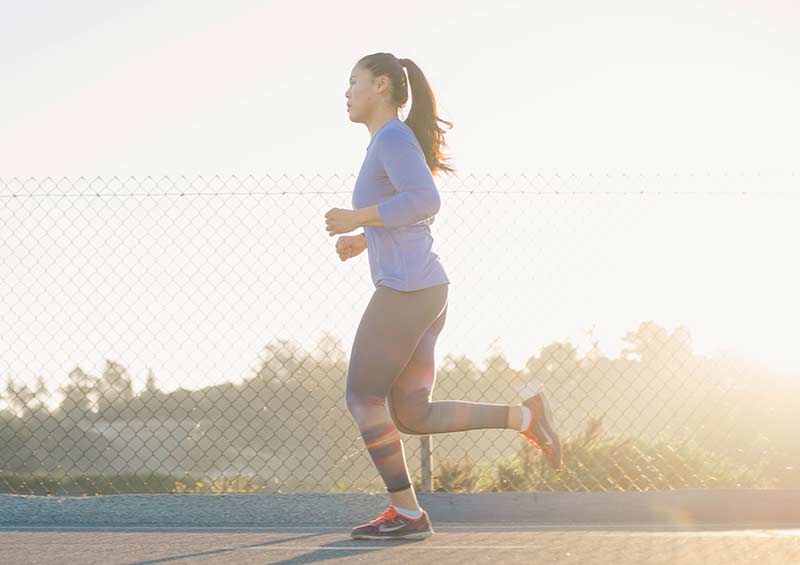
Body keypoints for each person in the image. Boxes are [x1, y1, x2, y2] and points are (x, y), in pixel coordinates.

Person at [324, 52, 562, 541]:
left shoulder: (391, 137)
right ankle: (526, 416)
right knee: (412, 413)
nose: (346, 92)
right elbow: (410, 211)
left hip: (408, 291)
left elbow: (426, 201)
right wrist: (364, 239)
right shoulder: (387, 142)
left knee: (363, 396)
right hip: (426, 289)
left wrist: (357, 218)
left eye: (354, 82)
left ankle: (408, 515)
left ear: (383, 87)